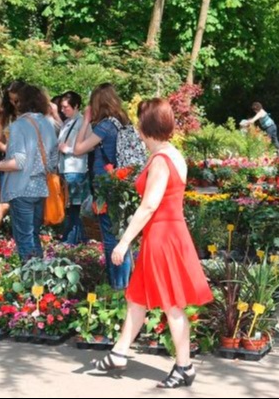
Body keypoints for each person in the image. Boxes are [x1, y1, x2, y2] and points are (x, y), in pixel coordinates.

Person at [91, 99, 212, 388]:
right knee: (137, 297)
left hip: (162, 236)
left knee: (172, 304)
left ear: (147, 127)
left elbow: (148, 206)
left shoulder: (160, 160)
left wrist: (122, 243)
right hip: (168, 234)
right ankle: (119, 353)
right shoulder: (170, 153)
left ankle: (184, 366)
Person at [0, 85, 58, 261]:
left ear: (21, 102)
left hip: (22, 189)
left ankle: (31, 284)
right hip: (40, 188)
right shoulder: (48, 123)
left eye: (15, 101)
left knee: (24, 240)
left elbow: (18, 162)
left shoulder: (19, 125)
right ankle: (40, 281)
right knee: (34, 237)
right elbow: (52, 163)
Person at [72, 83, 135, 288]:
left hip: (106, 188)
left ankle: (118, 286)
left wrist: (85, 121)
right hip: (120, 184)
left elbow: (78, 149)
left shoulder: (105, 126)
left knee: (110, 238)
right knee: (120, 234)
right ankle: (123, 284)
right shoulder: (122, 122)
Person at [0, 81, 25, 237]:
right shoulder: (4, 114)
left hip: (28, 165)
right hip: (10, 163)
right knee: (4, 204)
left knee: (24, 204)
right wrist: (10, 150)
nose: (13, 103)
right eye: (10, 99)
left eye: (16, 100)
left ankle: (20, 238)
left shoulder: (32, 114)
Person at [57, 91, 90, 245]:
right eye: (61, 107)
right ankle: (80, 239)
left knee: (73, 207)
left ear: (76, 106)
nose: (63, 110)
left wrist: (68, 150)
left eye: (66, 107)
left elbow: (90, 146)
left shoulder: (82, 123)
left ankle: (70, 241)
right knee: (71, 207)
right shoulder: (68, 122)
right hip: (66, 168)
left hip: (75, 169)